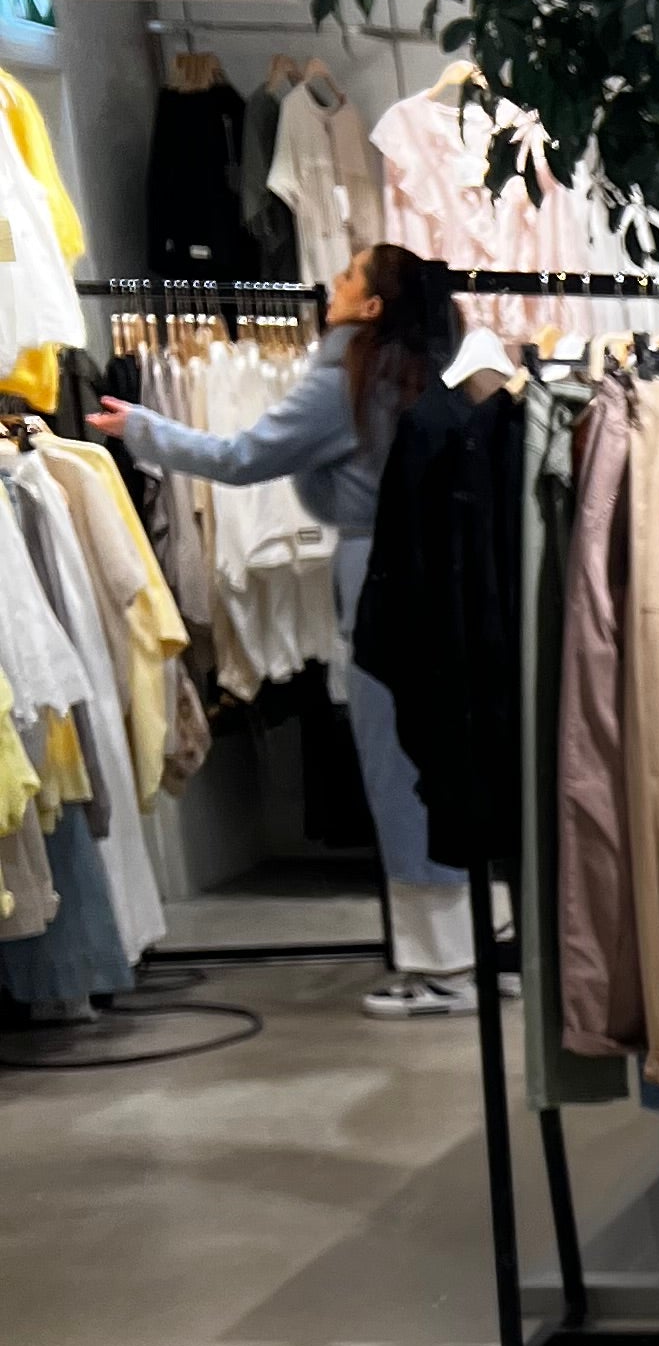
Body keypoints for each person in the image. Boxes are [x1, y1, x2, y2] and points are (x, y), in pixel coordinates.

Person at [92, 238, 479, 1016]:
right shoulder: (422, 374)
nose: (331, 283)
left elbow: (240, 457)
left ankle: (440, 969)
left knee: (393, 766)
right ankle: (468, 949)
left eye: (348, 276)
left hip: (378, 579)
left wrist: (142, 429)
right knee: (435, 763)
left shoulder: (343, 382)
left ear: (372, 305)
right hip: (438, 579)